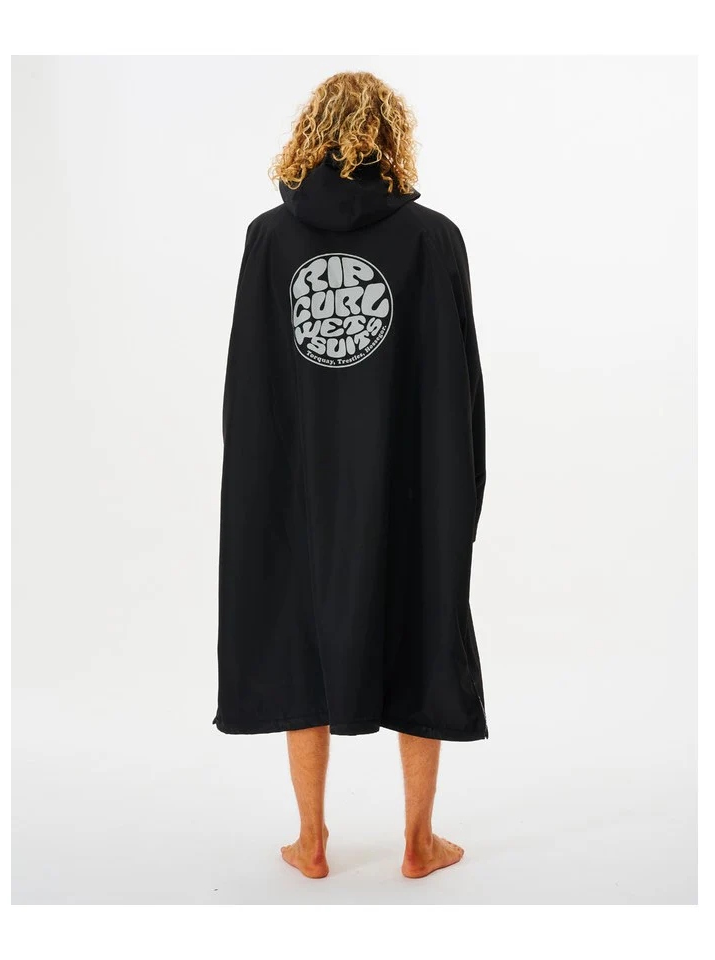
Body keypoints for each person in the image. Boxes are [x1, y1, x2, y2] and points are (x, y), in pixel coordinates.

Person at [213, 71, 487, 880]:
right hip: (411, 483)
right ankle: (418, 844)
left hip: (297, 485)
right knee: (422, 623)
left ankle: (311, 841)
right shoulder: (433, 239)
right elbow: (459, 383)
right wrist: (460, 487)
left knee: (297, 629)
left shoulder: (269, 238)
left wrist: (256, 484)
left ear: (310, 134)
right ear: (391, 138)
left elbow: (251, 380)